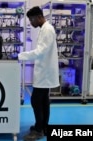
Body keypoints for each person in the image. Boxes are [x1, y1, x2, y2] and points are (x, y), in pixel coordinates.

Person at [18, 6, 60, 141]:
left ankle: (38, 130)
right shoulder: (45, 28)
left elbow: (39, 51)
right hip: (45, 71)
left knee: (36, 100)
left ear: (39, 17)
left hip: (45, 73)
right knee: (43, 101)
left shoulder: (47, 30)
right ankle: (43, 126)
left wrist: (20, 56)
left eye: (31, 19)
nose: (31, 23)